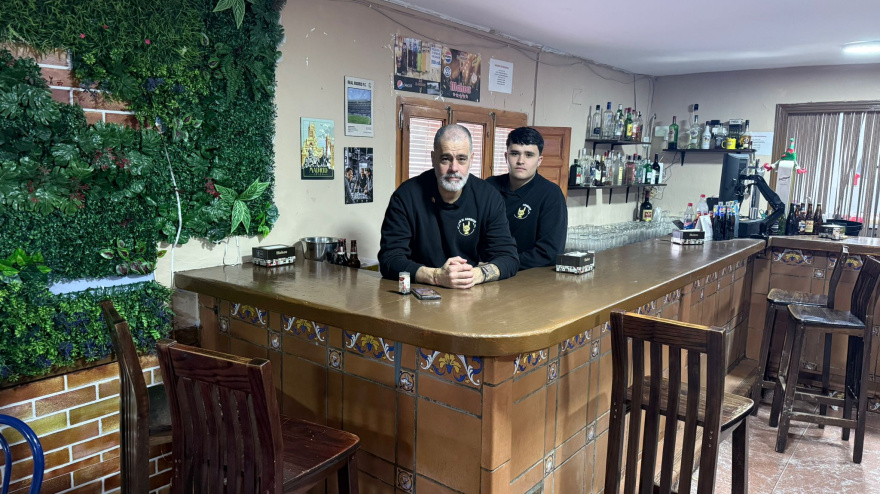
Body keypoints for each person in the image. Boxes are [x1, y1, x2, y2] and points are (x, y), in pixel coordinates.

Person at [379, 124, 519, 289]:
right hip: (419, 290)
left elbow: (509, 258)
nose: (454, 168)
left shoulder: (488, 197)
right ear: (433, 158)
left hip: (468, 290)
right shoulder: (406, 196)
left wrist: (475, 275)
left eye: (462, 159)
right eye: (446, 158)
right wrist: (436, 276)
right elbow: (390, 259)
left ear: (471, 159)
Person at [486, 127, 567, 270]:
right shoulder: (489, 187)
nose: (520, 161)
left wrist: (500, 266)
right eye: (515, 153)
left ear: (539, 160)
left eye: (529, 155)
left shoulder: (551, 194)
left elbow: (549, 253)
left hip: (526, 275)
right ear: (506, 156)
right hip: (483, 271)